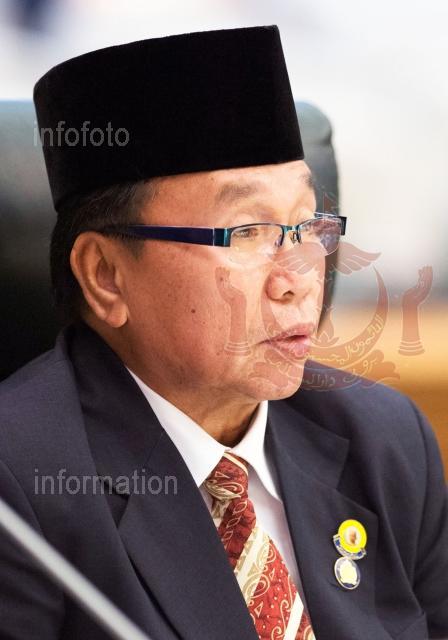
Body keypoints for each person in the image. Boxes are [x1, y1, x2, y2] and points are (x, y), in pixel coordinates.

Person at [0, 25, 446, 640]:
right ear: (105, 276)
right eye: (246, 233)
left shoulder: (384, 440)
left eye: (307, 225)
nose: (299, 278)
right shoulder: (18, 491)